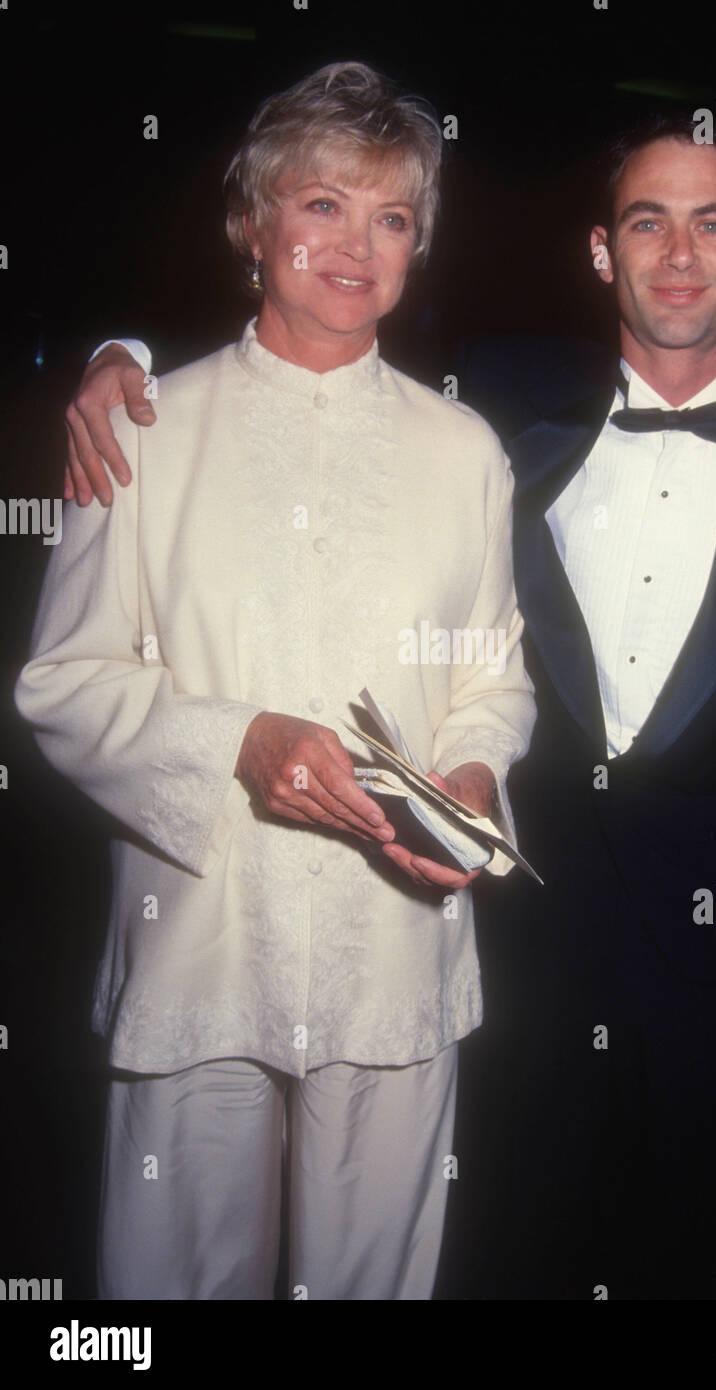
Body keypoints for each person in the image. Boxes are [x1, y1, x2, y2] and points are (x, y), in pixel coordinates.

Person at [59, 112, 716, 1301]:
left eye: (715, 224)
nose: (681, 254)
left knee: (679, 1252)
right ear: (603, 252)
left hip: (712, 962)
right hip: (516, 956)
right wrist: (113, 354)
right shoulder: (504, 413)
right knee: (484, 1256)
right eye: (647, 221)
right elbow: (284, 360)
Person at [15, 60, 535, 1302]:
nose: (358, 246)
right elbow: (63, 683)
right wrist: (238, 742)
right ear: (254, 223)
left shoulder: (466, 449)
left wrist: (469, 769)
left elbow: (495, 675)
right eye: (321, 206)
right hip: (201, 941)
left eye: (393, 217)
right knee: (169, 1285)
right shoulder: (141, 423)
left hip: (397, 947)